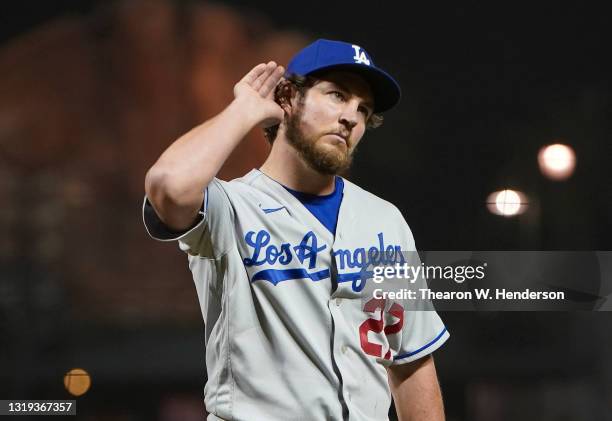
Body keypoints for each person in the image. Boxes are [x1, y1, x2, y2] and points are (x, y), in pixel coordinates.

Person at [143, 38, 449, 421]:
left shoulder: (384, 220)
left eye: (363, 109)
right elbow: (168, 186)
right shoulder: (232, 207)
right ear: (287, 96)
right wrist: (244, 111)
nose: (351, 117)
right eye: (337, 95)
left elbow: (411, 361)